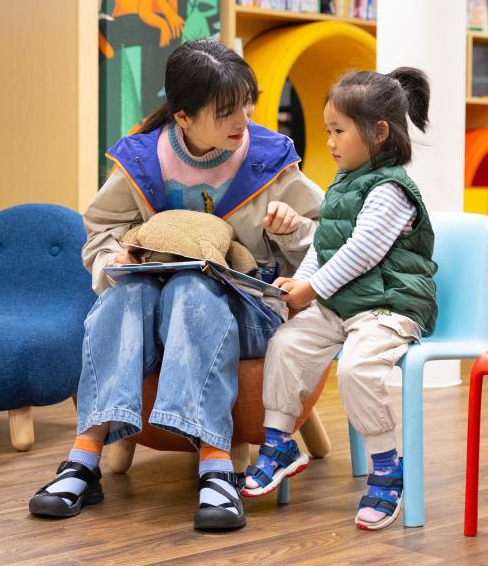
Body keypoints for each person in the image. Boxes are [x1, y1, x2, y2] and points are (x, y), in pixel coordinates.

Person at [28, 38, 323, 531]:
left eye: (245, 105)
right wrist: (116, 256)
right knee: (125, 294)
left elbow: (327, 244)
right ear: (182, 117)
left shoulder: (272, 159)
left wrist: (294, 229)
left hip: (250, 310)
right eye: (226, 111)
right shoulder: (142, 159)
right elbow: (99, 230)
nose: (241, 122)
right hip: (151, 305)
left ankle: (217, 467)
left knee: (193, 291)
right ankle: (83, 460)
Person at [243, 67, 438, 531]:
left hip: (391, 305)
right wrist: (300, 287)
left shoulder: (390, 188)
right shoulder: (343, 184)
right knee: (287, 343)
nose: (329, 141)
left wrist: (311, 288)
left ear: (379, 133)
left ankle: (388, 470)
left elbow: (361, 253)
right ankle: (279, 442)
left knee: (358, 368)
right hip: (344, 304)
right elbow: (324, 248)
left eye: (338, 131)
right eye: (328, 130)